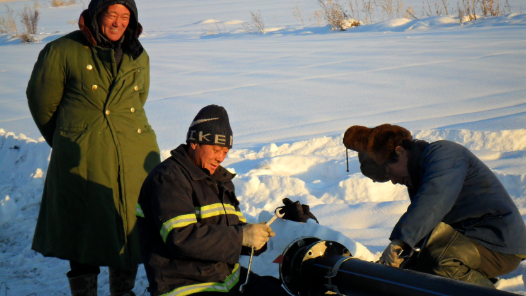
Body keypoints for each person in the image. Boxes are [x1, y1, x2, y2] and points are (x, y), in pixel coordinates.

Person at [26, 0, 160, 295]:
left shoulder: (138, 54)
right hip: (84, 156)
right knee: (83, 229)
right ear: (95, 14)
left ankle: (122, 292)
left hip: (133, 155)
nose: (118, 22)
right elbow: (41, 103)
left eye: (125, 16)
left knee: (128, 227)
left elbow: (138, 101)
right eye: (111, 14)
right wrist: (71, 139)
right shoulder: (62, 51)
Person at [343, 124, 526, 288]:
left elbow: (434, 198)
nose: (393, 181)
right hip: (472, 238)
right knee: (418, 271)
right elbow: (429, 225)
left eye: (389, 172)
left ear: (400, 151)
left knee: (442, 260)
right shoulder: (417, 174)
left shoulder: (444, 153)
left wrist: (400, 241)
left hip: (499, 241)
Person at [136, 105, 290, 296]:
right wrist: (242, 236)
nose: (220, 158)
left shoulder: (220, 180)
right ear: (194, 143)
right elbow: (181, 238)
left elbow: (230, 230)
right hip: (185, 285)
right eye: (216, 150)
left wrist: (256, 237)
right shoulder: (168, 178)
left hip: (228, 279)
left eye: (225, 152)